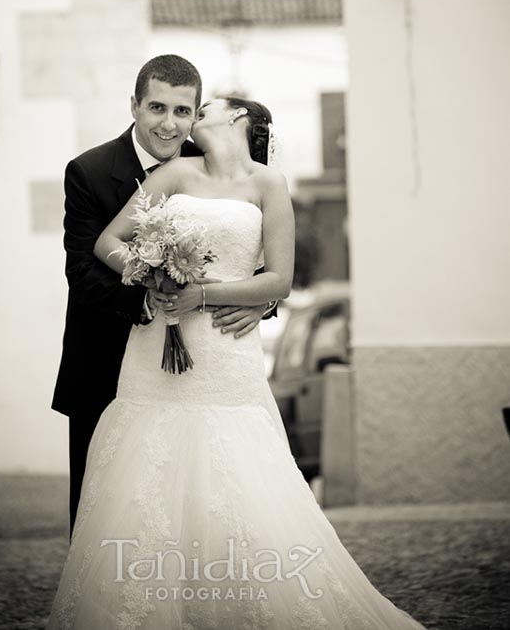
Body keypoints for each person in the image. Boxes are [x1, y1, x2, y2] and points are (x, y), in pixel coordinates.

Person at [47, 96, 430, 630]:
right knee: (146, 463)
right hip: (154, 342)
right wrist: (148, 274)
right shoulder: (174, 171)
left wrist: (202, 294)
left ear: (236, 118)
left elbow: (279, 280)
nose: (191, 116)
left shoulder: (269, 185)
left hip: (226, 349)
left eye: (205, 107)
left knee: (238, 466)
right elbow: (110, 240)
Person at [51, 55, 272, 536]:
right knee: (102, 519)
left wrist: (261, 301)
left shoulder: (215, 159)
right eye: (156, 108)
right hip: (108, 366)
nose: (169, 124)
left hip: (205, 368)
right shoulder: (88, 172)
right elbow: (83, 269)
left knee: (203, 508)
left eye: (182, 111)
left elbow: (253, 248)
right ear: (134, 105)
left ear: (195, 114)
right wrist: (152, 297)